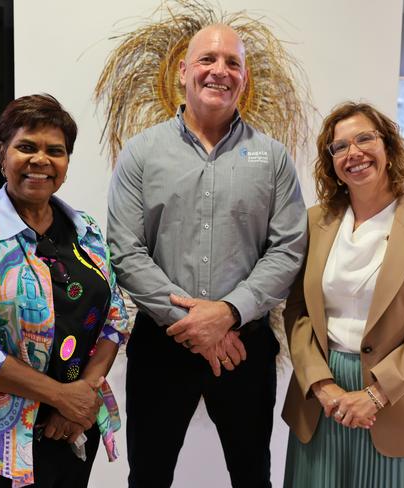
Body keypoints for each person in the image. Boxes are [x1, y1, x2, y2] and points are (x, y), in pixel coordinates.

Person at [107, 24, 307, 488]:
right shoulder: (140, 154)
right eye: (207, 60)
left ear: (244, 78)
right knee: (149, 476)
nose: (220, 71)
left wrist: (229, 313)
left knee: (252, 474)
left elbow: (287, 248)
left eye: (232, 63)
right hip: (162, 345)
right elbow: (125, 249)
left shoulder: (273, 158)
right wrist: (197, 325)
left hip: (245, 347)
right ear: (182, 72)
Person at [0, 94, 129, 487]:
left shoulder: (85, 231)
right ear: (3, 154)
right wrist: (59, 396)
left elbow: (116, 314)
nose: (41, 160)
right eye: (26, 147)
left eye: (55, 151)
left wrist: (81, 396)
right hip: (2, 439)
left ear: (66, 164)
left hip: (72, 427)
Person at [282, 102, 404, 487]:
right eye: (340, 147)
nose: (354, 153)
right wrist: (320, 384)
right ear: (330, 161)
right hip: (324, 401)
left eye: (365, 138)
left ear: (389, 146)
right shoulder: (316, 221)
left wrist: (377, 394)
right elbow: (297, 312)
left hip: (403, 398)